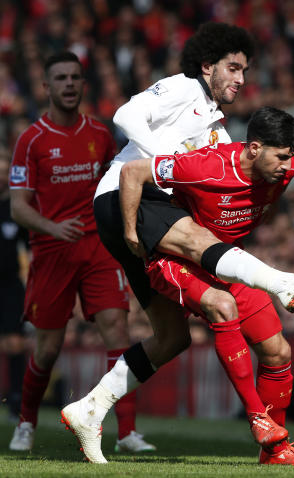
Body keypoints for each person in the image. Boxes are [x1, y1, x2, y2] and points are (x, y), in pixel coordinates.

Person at [62, 107, 294, 465]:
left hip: (230, 262)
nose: (286, 166)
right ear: (255, 148)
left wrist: (289, 159)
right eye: (280, 157)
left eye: (291, 156)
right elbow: (133, 171)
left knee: (279, 352)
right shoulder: (207, 165)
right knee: (222, 307)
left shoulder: (287, 159)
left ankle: (274, 454)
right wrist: (132, 232)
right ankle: (258, 418)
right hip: (178, 260)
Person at [8, 51, 155, 454]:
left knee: (117, 330)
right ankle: (26, 423)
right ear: (47, 87)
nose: (69, 84)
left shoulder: (100, 135)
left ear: (82, 84)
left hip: (98, 248)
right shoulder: (31, 140)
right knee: (48, 349)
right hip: (51, 251)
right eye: (61, 78)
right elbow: (18, 206)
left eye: (75, 77)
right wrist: (52, 226)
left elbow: (117, 183)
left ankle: (126, 432)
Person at [0, 154, 27, 422]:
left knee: (15, 343)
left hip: (9, 285)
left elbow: (29, 248)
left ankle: (16, 399)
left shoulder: (16, 209)